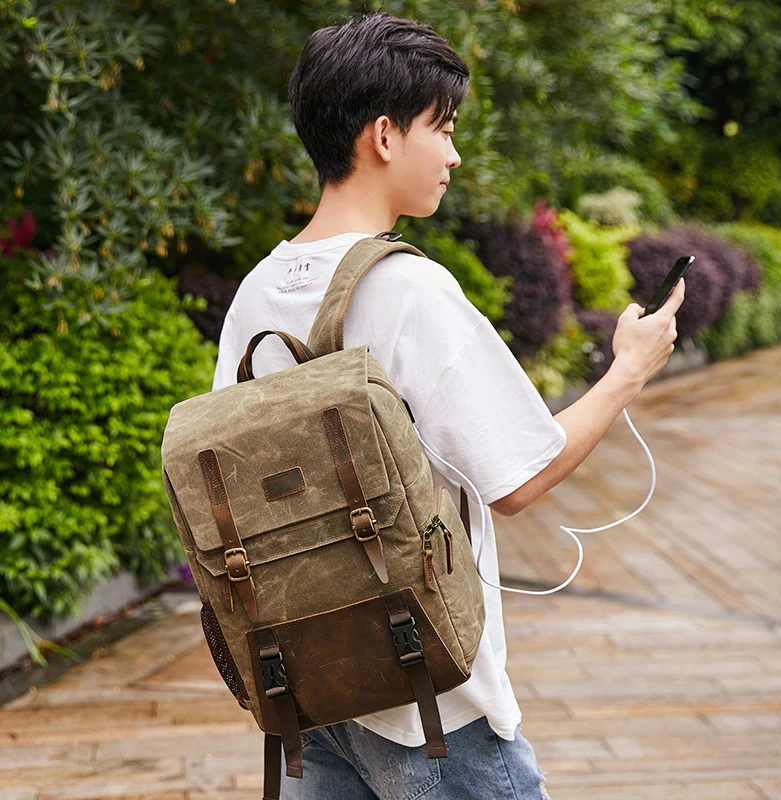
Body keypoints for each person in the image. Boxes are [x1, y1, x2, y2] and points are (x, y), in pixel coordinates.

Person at [211, 11, 684, 800]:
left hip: (307, 688)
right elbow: (518, 477)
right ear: (386, 135)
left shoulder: (258, 291)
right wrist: (627, 372)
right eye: (445, 126)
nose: (456, 154)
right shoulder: (410, 290)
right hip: (430, 707)